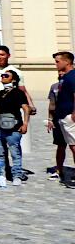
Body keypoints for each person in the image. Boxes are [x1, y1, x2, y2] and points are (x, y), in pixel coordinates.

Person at [0, 69, 30, 187]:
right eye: (2, 75)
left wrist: (25, 124)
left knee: (15, 153)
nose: (3, 77)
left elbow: (26, 108)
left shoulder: (18, 93)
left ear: (13, 79)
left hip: (14, 128)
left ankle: (17, 176)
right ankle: (0, 174)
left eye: (6, 75)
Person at [52, 50, 75, 185]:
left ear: (67, 62)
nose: (56, 64)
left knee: (73, 146)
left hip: (69, 117)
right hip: (62, 116)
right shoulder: (66, 77)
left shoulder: (72, 76)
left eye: (57, 61)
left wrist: (73, 114)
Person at [45, 77, 71, 180]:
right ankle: (59, 170)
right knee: (60, 145)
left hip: (71, 118)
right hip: (58, 119)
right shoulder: (54, 86)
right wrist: (50, 119)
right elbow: (52, 104)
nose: (60, 73)